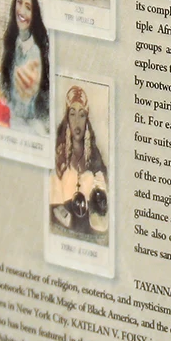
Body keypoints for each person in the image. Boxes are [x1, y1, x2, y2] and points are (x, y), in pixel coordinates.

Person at [52, 86, 108, 233]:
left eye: (82, 115)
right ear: (67, 117)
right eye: (72, 114)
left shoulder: (94, 156)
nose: (77, 121)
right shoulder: (57, 152)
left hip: (88, 229)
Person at [0, 0, 50, 133]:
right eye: (19, 3)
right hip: (9, 121)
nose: (21, 11)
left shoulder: (34, 52)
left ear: (34, 15)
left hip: (27, 125)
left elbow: (27, 103)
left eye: (28, 7)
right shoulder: (11, 43)